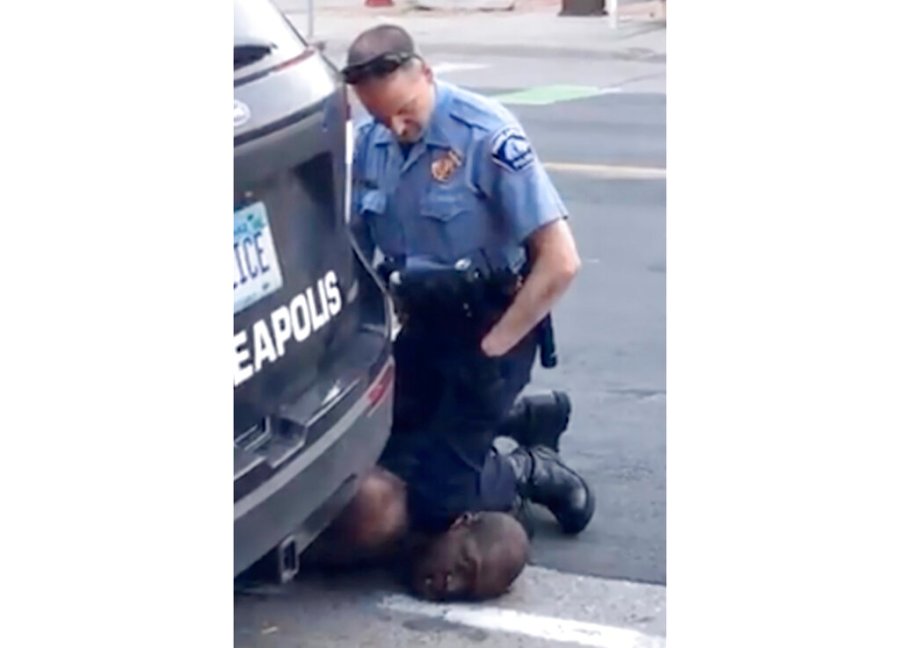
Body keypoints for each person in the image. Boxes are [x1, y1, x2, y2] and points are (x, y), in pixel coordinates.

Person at [303, 24, 595, 599]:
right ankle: (511, 419)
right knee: (385, 447)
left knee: (437, 495)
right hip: (424, 323)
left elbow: (560, 262)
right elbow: (359, 244)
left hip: (493, 325)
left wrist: (497, 345)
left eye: (406, 112)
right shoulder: (375, 145)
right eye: (382, 117)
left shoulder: (486, 136)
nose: (398, 128)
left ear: (427, 75)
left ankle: (530, 468)